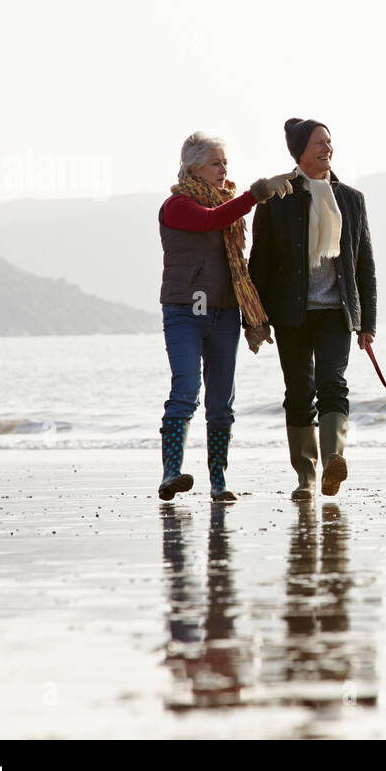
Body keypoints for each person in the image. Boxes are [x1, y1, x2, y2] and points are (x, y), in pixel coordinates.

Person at [248, 118, 377, 499]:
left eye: (330, 142)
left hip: (336, 312)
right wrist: (254, 319)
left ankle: (332, 461)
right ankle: (305, 475)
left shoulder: (352, 198)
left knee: (333, 385)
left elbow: (364, 264)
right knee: (299, 391)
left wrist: (366, 321)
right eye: (319, 142)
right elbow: (260, 263)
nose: (327, 148)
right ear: (300, 151)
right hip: (291, 314)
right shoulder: (278, 198)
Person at [158, 132, 282, 502]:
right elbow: (211, 220)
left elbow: (237, 262)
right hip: (185, 311)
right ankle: (171, 473)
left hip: (225, 313)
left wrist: (253, 316)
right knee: (185, 391)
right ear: (194, 166)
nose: (224, 168)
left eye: (225, 162)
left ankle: (218, 481)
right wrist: (255, 194)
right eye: (216, 162)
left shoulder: (228, 203)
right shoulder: (177, 204)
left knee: (221, 403)